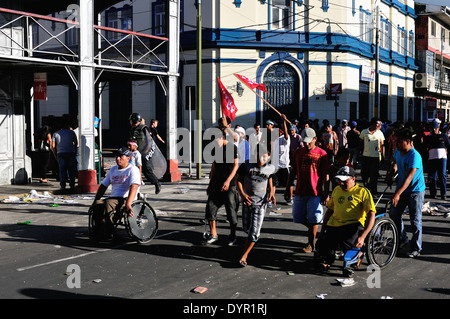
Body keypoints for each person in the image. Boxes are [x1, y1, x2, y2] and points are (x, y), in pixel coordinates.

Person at [316, 166, 376, 272]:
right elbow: (329, 211)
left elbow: (371, 214)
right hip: (334, 224)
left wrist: (363, 236)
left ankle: (358, 255)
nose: (341, 183)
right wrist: (322, 230)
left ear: (353, 178)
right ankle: (328, 261)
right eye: (339, 180)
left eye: (344, 181)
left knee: (347, 244)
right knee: (322, 245)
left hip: (353, 224)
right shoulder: (336, 190)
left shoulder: (362, 192)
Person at [287, 127, 330, 253]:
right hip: (300, 190)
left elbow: (325, 175)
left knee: (314, 218)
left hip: (315, 192)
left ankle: (311, 244)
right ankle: (313, 229)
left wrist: (326, 193)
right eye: (304, 142)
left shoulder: (322, 154)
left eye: (309, 142)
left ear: (315, 139)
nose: (306, 144)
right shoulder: (298, 152)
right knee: (298, 217)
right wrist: (287, 187)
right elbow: (293, 171)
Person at [386, 128, 426, 258]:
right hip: (402, 188)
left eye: (399, 141)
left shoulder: (415, 156)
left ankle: (416, 247)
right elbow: (395, 162)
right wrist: (391, 172)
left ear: (408, 141)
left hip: (415, 191)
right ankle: (402, 239)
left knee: (415, 219)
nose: (396, 144)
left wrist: (397, 193)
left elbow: (409, 177)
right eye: (396, 141)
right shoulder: (398, 151)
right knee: (394, 213)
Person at [236, 146, 276, 267]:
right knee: (246, 229)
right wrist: (242, 195)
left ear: (268, 156)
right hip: (247, 202)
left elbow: (271, 179)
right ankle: (251, 242)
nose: (261, 159)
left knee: (254, 233)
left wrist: (272, 192)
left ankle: (244, 255)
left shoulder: (270, 168)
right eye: (259, 156)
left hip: (260, 204)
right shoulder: (247, 165)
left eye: (264, 156)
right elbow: (238, 180)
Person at [90, 147, 141, 241]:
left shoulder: (133, 170)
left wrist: (128, 204)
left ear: (128, 158)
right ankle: (98, 230)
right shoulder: (113, 170)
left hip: (126, 198)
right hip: (114, 198)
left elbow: (134, 187)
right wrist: (95, 200)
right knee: (98, 204)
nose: (117, 158)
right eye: (117, 156)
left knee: (108, 203)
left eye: (121, 156)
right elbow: (103, 186)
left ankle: (109, 232)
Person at [203, 117, 240, 246]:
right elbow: (214, 166)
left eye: (216, 139)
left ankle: (233, 235)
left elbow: (236, 166)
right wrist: (210, 183)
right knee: (210, 208)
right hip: (216, 183)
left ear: (222, 137)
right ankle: (213, 234)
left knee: (231, 210)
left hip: (229, 184)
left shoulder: (232, 148)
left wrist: (228, 181)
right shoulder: (215, 149)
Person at [129, 113, 161, 194]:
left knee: (146, 170)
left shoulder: (144, 128)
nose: (130, 122)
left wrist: (146, 151)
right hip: (135, 152)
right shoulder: (133, 129)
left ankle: (156, 183)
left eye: (131, 120)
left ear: (134, 120)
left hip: (144, 152)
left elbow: (149, 141)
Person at [422, 119, 449, 200]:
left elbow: (449, 146)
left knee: (442, 176)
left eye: (435, 129)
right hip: (432, 159)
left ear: (438, 128)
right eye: (432, 129)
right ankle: (433, 193)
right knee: (432, 177)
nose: (433, 130)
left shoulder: (444, 136)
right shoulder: (428, 138)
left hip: (442, 159)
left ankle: (443, 194)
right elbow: (423, 148)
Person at [359, 117, 385, 196]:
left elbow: (382, 145)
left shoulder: (380, 133)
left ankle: (373, 191)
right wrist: (358, 154)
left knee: (374, 175)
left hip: (375, 157)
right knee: (364, 174)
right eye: (377, 124)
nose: (378, 125)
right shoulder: (364, 132)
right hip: (365, 156)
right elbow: (360, 143)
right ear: (373, 124)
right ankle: (367, 186)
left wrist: (383, 156)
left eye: (379, 124)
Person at [51, 120, 78, 190]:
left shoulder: (55, 134)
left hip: (60, 153)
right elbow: (76, 142)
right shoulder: (72, 132)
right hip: (70, 152)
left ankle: (63, 185)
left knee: (62, 170)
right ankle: (72, 184)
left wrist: (55, 154)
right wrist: (74, 151)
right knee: (71, 169)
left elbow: (53, 146)